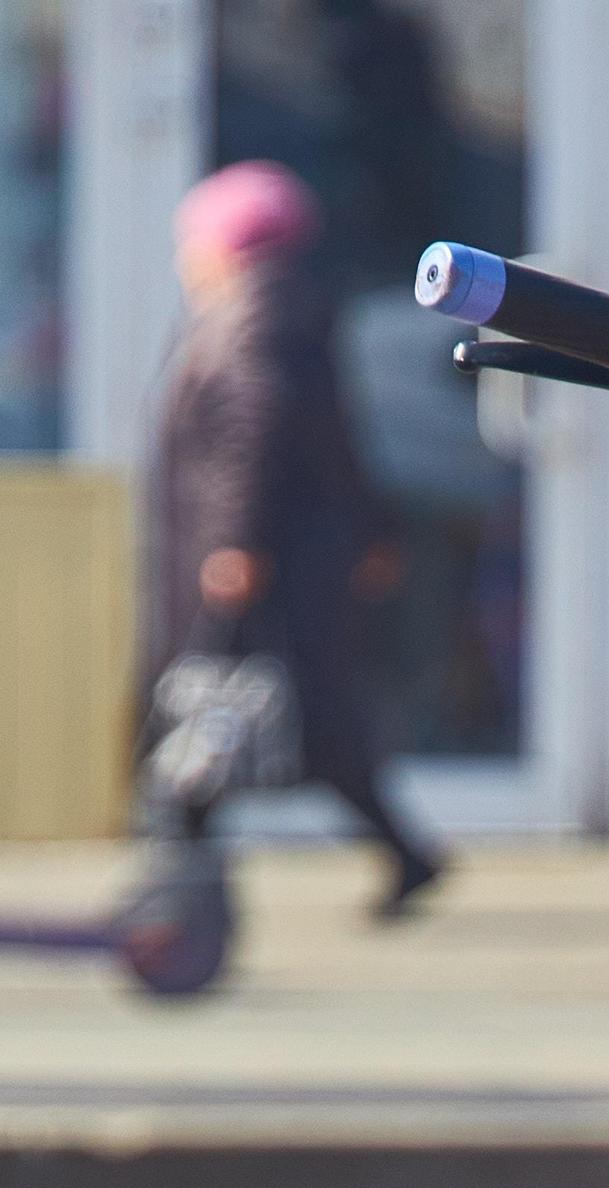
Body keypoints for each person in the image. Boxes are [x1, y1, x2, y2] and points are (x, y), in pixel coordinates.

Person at [138, 159, 447, 919]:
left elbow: (255, 429)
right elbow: (339, 438)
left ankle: (180, 893)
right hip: (287, 557)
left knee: (213, 711)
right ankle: (185, 883)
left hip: (263, 563)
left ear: (228, 244)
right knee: (254, 715)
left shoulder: (256, 316)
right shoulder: (281, 310)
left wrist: (234, 545)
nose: (186, 258)